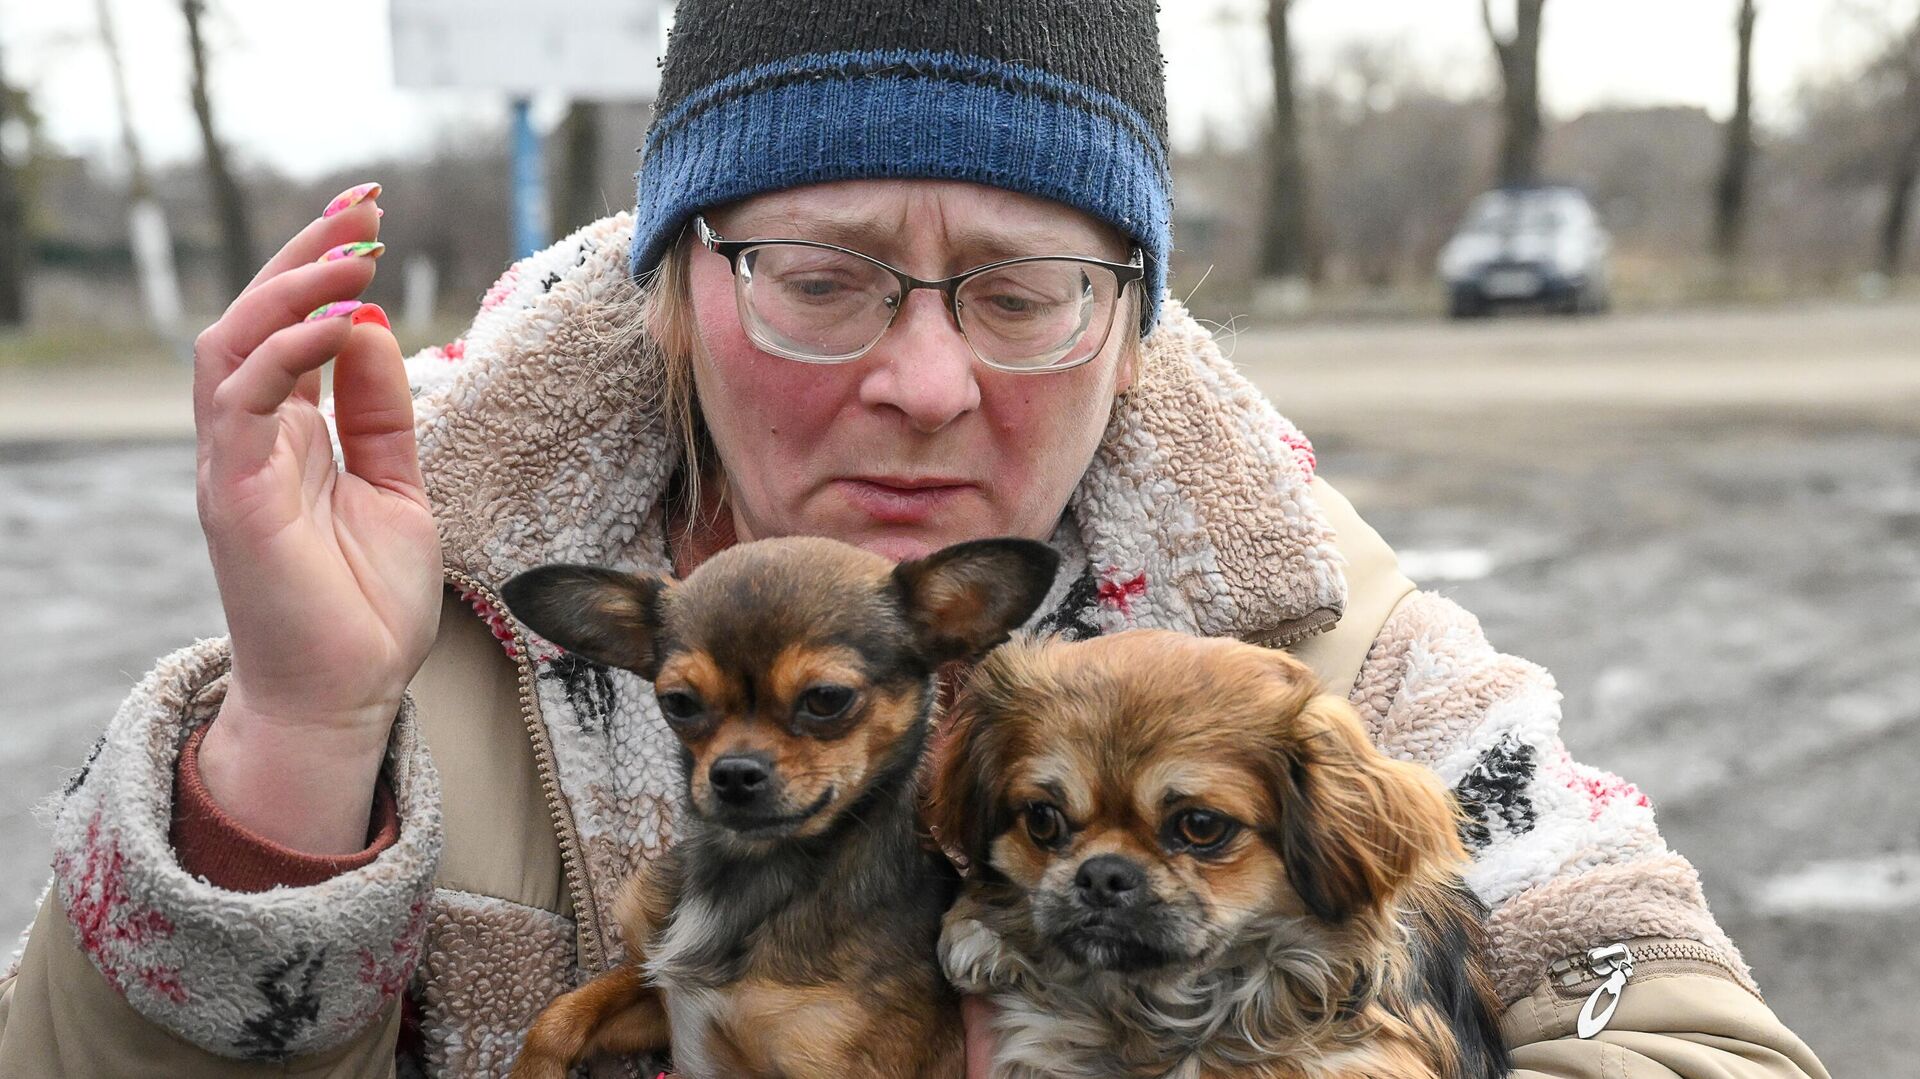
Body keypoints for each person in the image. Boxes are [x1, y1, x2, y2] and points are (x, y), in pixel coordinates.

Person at [0, 2, 1830, 1076]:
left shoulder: (1314, 633)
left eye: (1026, 288)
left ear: (1130, 321)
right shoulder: (421, 603)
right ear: (674, 292)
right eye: (823, 278)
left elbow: (1694, 1028)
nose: (931, 379)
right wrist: (301, 737)